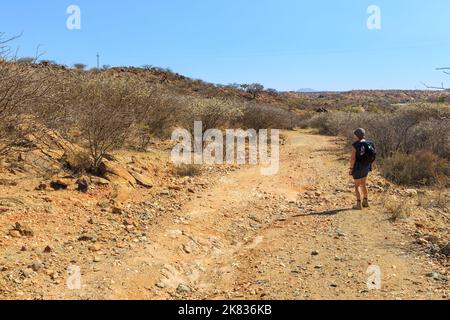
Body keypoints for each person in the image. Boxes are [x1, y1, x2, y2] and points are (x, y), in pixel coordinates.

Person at [349, 128, 372, 210]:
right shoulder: (369, 143)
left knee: (356, 186)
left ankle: (358, 204)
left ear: (356, 135)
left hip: (358, 167)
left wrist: (351, 168)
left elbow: (353, 159)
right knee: (364, 184)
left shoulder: (355, 145)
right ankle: (365, 202)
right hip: (366, 166)